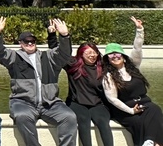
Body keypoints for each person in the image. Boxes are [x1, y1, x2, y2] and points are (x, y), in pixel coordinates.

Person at [0, 16, 76, 146]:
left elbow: (64, 54)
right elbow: (0, 53)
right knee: (22, 117)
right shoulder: (14, 57)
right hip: (23, 102)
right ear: (20, 43)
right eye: (26, 41)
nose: (30, 43)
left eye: (33, 41)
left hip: (50, 103)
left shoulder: (48, 57)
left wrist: (64, 36)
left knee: (69, 117)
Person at [103, 16, 163, 146]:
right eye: (111, 55)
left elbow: (137, 48)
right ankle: (151, 142)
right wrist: (131, 111)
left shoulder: (134, 67)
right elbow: (112, 99)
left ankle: (149, 142)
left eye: (117, 53)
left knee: (156, 110)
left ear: (124, 57)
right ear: (107, 60)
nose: (115, 56)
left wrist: (139, 30)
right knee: (138, 122)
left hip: (143, 104)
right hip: (125, 110)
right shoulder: (108, 77)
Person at [65, 39, 112, 146]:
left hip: (97, 103)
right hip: (77, 102)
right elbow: (60, 53)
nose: (92, 55)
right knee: (83, 121)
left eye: (94, 52)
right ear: (81, 54)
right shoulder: (73, 65)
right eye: (88, 52)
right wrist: (60, 35)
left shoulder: (103, 67)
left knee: (103, 122)